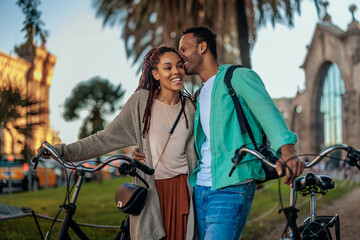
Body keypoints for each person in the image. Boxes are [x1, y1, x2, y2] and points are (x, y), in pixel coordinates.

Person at [134, 26, 305, 240]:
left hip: (232, 186)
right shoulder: (197, 96)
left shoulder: (237, 77)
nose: (181, 55)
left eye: (184, 49)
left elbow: (269, 113)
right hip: (200, 189)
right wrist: (144, 151)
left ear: (202, 47)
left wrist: (287, 150)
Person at [48, 46, 198, 240]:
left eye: (179, 66)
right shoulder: (141, 103)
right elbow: (105, 138)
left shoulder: (191, 107)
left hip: (181, 191)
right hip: (151, 191)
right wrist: (62, 151)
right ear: (156, 74)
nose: (176, 72)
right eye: (168, 68)